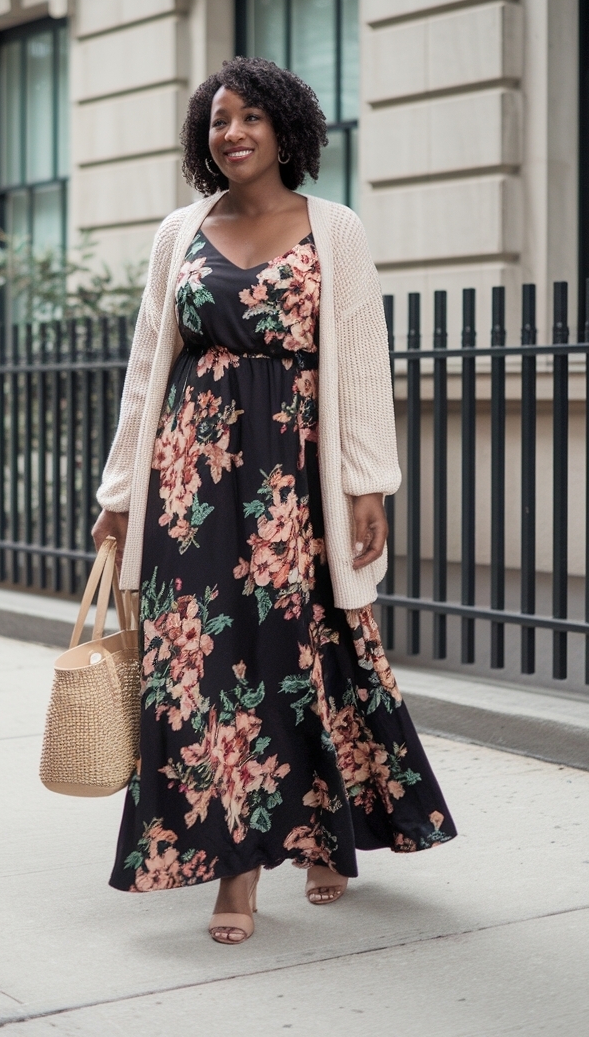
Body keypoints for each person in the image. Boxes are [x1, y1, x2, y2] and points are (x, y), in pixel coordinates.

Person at [92, 57, 456, 944]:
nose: (234, 132)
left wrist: (368, 484)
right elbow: (148, 367)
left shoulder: (335, 231)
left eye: (252, 116)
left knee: (309, 653)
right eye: (219, 120)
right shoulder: (180, 231)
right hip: (190, 481)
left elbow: (363, 362)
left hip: (297, 473)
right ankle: (236, 871)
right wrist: (117, 495)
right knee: (200, 667)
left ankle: (326, 832)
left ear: (286, 130)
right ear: (203, 137)